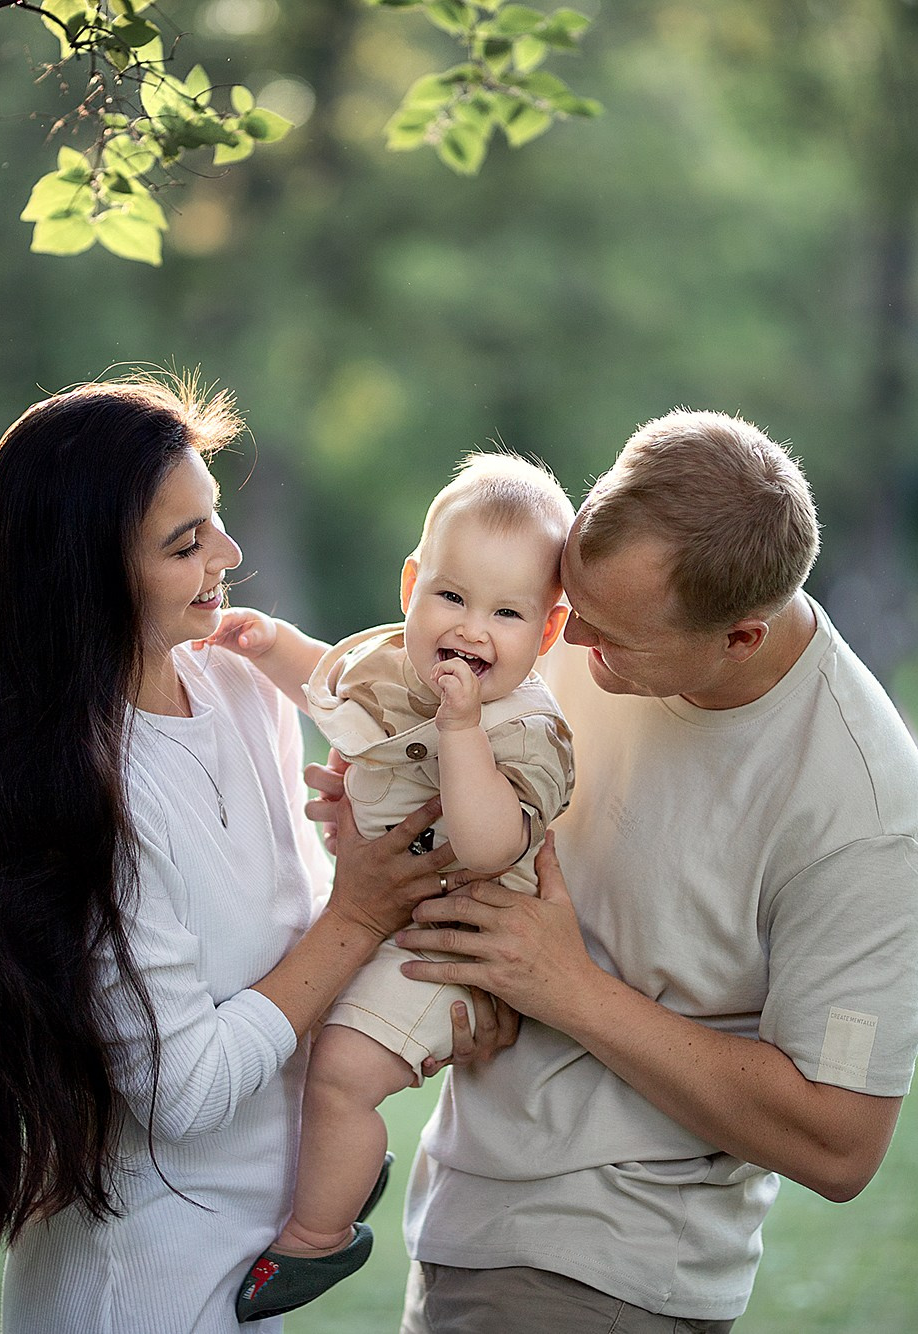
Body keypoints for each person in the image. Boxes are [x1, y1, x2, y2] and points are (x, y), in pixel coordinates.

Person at [0, 378, 486, 1333]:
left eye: (217, 520)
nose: (227, 556)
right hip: (143, 1286)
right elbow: (183, 1089)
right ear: (87, 576)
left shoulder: (239, 683)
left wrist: (373, 902)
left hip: (250, 1263)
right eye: (184, 543)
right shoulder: (81, 789)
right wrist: (358, 914)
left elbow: (281, 949)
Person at [340, 410, 918, 1332]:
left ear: (740, 638)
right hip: (464, 1217)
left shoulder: (861, 811)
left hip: (608, 1271)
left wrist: (565, 987)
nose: (567, 637)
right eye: (568, 602)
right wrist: (384, 809)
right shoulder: (587, 624)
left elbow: (842, 1142)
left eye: (608, 633)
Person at [203, 454, 576, 1321]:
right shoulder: (388, 666)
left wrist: (461, 731)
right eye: (451, 597)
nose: (472, 630)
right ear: (412, 587)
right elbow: (328, 687)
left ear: (549, 630)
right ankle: (343, 1166)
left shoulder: (526, 730)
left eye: (507, 612)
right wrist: (271, 645)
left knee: (341, 1071)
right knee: (304, 1042)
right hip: (386, 919)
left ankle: (319, 1235)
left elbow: (487, 844)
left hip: (454, 945)